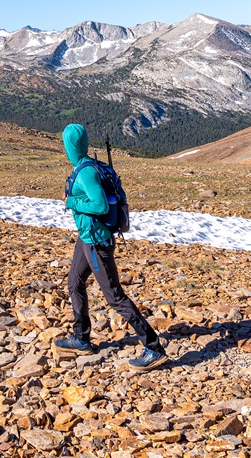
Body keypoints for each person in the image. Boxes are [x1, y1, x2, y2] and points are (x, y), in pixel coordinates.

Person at [54, 122, 167, 370]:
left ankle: (153, 347)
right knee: (74, 283)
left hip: (97, 242)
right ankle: (81, 338)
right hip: (86, 236)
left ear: (70, 146)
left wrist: (71, 201)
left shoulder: (86, 172)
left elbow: (101, 206)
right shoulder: (84, 166)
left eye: (67, 143)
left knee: (115, 297)